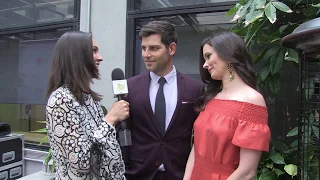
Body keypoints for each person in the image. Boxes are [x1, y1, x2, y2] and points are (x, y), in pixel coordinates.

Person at [183, 32, 271, 180]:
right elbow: (196, 150)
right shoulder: (211, 98)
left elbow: (247, 171)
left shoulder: (252, 100)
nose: (205, 65)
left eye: (208, 56)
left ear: (228, 54)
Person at [123, 21, 205, 180]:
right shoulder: (130, 87)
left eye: (154, 48)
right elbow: (124, 132)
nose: (146, 54)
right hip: (139, 173)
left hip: (178, 173)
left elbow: (199, 137)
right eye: (143, 48)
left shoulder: (195, 89)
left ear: (171, 48)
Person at [46, 31, 129, 180]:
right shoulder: (61, 100)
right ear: (76, 56)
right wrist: (110, 119)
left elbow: (103, 150)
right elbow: (81, 163)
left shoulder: (90, 98)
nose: (100, 57)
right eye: (94, 51)